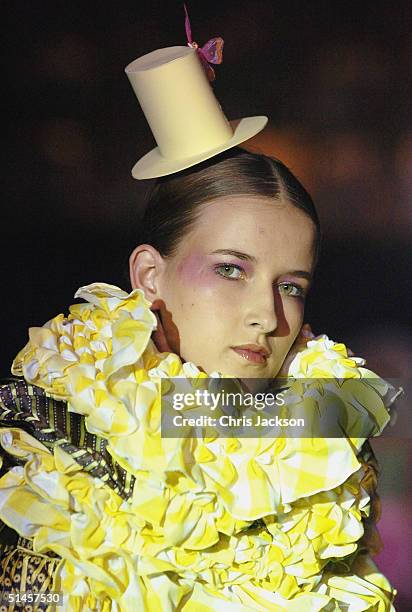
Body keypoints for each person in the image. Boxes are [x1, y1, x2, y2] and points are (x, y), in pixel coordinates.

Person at [0, 36, 398, 612]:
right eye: (231, 270)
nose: (268, 315)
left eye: (292, 286)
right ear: (149, 276)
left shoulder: (327, 437)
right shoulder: (52, 417)